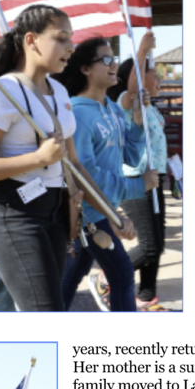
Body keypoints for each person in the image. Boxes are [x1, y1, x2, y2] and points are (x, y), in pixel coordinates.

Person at [0, 4, 126, 312]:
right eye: (61, 38)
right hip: (12, 214)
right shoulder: (3, 93)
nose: (70, 47)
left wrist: (110, 213)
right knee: (46, 311)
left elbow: (74, 164)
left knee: (44, 306)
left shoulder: (60, 92)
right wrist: (37, 158)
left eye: (71, 38)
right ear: (31, 41)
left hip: (56, 212)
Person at [55, 36, 150, 312]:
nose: (113, 66)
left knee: (69, 279)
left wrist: (139, 123)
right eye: (105, 60)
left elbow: (131, 156)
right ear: (85, 69)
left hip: (102, 208)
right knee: (122, 275)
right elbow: (83, 173)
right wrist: (127, 197)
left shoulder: (111, 109)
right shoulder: (77, 113)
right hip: (89, 211)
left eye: (114, 60)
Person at [111, 32, 170, 311]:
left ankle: (146, 299)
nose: (159, 79)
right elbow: (132, 89)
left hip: (155, 179)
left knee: (156, 246)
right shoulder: (125, 103)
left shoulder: (150, 107)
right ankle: (107, 277)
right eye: (154, 74)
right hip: (135, 179)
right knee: (147, 246)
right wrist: (143, 49)